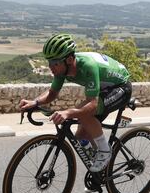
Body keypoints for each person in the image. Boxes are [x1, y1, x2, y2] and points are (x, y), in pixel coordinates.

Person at [18, 33, 132, 172]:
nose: (51, 67)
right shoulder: (62, 70)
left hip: (120, 87)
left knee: (82, 112)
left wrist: (68, 112)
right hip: (102, 90)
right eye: (49, 62)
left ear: (70, 59)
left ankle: (105, 151)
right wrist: (35, 103)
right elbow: (52, 93)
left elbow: (93, 104)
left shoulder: (88, 66)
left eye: (55, 63)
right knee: (80, 137)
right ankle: (101, 171)